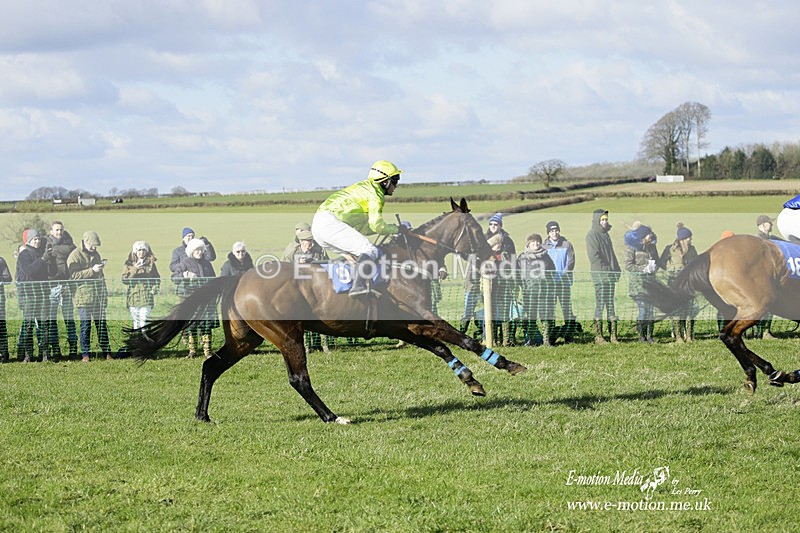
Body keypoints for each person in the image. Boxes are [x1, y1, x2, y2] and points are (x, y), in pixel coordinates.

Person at [311, 160, 405, 297]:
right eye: (395, 180)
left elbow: (363, 228)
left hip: (319, 227)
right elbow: (376, 225)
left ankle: (352, 291)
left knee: (356, 257)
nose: (396, 185)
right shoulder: (375, 195)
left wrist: (389, 229)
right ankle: (358, 287)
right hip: (329, 223)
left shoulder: (365, 188)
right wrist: (396, 230)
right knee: (369, 250)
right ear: (385, 182)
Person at [67, 231, 111, 362]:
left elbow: (100, 276)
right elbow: (73, 275)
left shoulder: (96, 254)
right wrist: (92, 271)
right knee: (85, 326)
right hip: (83, 297)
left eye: (96, 246)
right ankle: (85, 354)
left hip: (97, 296)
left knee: (101, 325)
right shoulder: (75, 255)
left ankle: (107, 353)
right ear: (85, 242)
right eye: (92, 245)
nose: (94, 248)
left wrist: (104, 295)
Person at [172, 238, 218, 358]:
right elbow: (174, 277)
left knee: (206, 325)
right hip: (191, 298)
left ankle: (207, 351)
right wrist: (185, 275)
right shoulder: (184, 263)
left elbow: (213, 278)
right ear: (192, 250)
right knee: (192, 324)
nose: (199, 252)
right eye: (197, 249)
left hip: (206, 299)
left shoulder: (207, 263)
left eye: (201, 249)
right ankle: (192, 351)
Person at [16, 229, 56, 362]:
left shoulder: (42, 253)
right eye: (35, 239)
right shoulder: (24, 255)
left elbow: (52, 273)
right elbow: (29, 271)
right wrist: (43, 259)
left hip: (43, 294)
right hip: (29, 294)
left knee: (44, 324)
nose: (37, 241)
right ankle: (28, 355)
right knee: (28, 325)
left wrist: (52, 259)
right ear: (28, 240)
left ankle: (45, 354)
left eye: (39, 238)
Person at [586, 209, 622, 344]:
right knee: (600, 305)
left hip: (610, 276)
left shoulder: (606, 235)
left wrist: (616, 269)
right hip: (600, 276)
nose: (605, 222)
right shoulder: (592, 235)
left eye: (606, 219)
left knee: (611, 305)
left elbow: (611, 255)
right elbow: (594, 257)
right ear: (597, 221)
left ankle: (613, 336)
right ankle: (599, 336)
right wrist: (608, 270)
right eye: (602, 220)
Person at [659, 223, 699, 342]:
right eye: (689, 237)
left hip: (688, 284)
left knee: (690, 309)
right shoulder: (670, 249)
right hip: (674, 283)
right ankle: (678, 336)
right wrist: (671, 270)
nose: (691, 239)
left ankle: (689, 335)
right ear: (682, 239)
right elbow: (661, 263)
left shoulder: (692, 250)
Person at [45, 220, 78, 358]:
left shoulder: (70, 245)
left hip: (65, 285)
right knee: (52, 320)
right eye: (56, 230)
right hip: (52, 286)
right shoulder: (46, 245)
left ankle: (73, 348)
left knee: (69, 319)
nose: (59, 232)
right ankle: (55, 349)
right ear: (51, 231)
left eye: (61, 230)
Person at [517, 234, 556, 346]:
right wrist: (523, 286)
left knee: (545, 316)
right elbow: (517, 274)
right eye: (533, 242)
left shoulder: (546, 257)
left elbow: (552, 271)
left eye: (538, 242)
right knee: (530, 317)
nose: (536, 244)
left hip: (544, 292)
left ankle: (546, 341)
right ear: (528, 243)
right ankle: (532, 340)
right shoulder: (522, 257)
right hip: (529, 292)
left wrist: (548, 284)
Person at [542, 220, 577, 343]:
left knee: (567, 310)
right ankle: (550, 337)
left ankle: (569, 335)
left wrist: (564, 275)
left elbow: (571, 262)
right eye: (552, 231)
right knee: (550, 310)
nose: (554, 233)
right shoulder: (544, 246)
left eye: (556, 230)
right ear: (548, 233)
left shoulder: (567, 244)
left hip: (564, 283)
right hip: (550, 285)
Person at [625, 225, 659, 343]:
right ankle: (642, 335)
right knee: (643, 309)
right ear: (643, 236)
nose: (651, 235)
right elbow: (628, 265)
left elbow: (657, 261)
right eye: (648, 234)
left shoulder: (652, 247)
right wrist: (643, 269)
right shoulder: (632, 248)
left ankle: (650, 335)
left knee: (650, 310)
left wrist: (654, 267)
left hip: (651, 283)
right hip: (637, 284)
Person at [121, 241, 161, 330]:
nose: (141, 252)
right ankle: (136, 341)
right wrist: (134, 269)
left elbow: (157, 278)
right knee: (136, 323)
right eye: (139, 250)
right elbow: (125, 280)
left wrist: (155, 288)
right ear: (135, 251)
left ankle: (145, 341)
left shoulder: (151, 264)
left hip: (147, 297)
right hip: (133, 298)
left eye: (143, 250)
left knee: (144, 321)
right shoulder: (129, 264)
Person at [753, 215, 777, 339]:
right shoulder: (758, 240)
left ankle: (764, 331)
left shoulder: (771, 239)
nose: (771, 225)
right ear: (762, 225)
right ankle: (762, 332)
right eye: (769, 223)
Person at [0, 254, 12, 363]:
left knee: (1, 327)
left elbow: (8, 278)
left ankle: (3, 354)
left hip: (0, 300)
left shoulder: (1, 261)